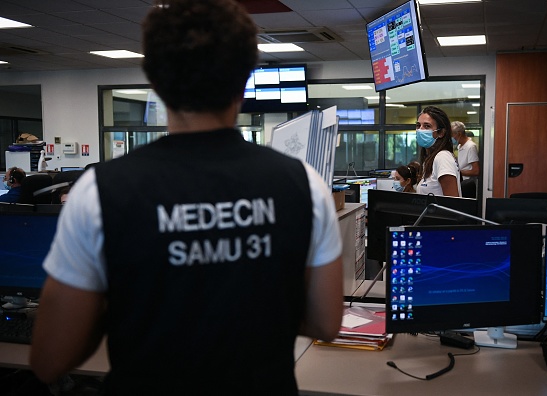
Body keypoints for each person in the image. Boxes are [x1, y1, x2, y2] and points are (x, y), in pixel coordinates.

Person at [29, 1, 344, 394]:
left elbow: (49, 361)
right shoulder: (305, 184)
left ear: (154, 79)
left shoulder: (99, 192)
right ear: (245, 78)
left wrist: (131, 307)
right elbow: (327, 322)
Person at [415, 106, 461, 197]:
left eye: (427, 126)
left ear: (441, 133)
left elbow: (452, 203)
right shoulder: (429, 159)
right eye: (418, 125)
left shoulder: (442, 158)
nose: (420, 130)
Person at [451, 121, 480, 198]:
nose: (451, 137)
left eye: (452, 134)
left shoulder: (471, 146)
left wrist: (458, 172)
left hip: (468, 186)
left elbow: (476, 171)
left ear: (459, 133)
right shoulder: (459, 146)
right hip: (460, 184)